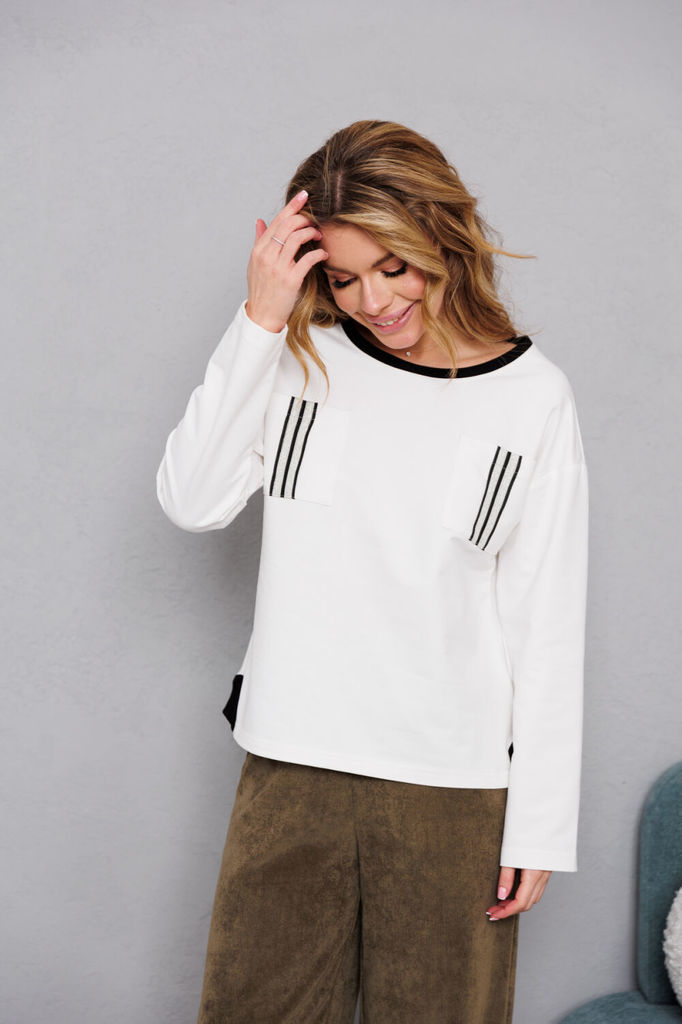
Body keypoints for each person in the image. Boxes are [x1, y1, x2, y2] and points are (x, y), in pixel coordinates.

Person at [156, 119, 589, 1024]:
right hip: (291, 761)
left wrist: (542, 822)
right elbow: (192, 500)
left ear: (442, 237)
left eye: (394, 267)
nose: (374, 301)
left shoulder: (532, 399)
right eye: (344, 278)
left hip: (453, 785)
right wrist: (260, 319)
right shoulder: (297, 359)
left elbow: (545, 620)